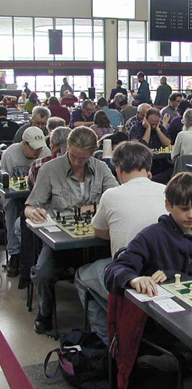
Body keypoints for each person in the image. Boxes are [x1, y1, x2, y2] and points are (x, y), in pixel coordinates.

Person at [25, 126, 118, 334]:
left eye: (83, 158)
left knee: (118, 268)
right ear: (67, 147)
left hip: (96, 240)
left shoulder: (101, 168)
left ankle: (107, 321)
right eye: (73, 155)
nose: (77, 162)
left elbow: (115, 200)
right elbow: (30, 206)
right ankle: (44, 314)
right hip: (61, 243)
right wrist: (32, 212)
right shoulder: (50, 169)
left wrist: (88, 209)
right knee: (43, 273)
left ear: (93, 152)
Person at [75, 141, 168, 344]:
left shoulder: (111, 195)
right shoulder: (167, 190)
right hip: (165, 273)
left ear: (118, 169)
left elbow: (99, 232)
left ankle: (109, 341)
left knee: (82, 275)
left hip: (130, 277)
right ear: (148, 167)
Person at [104, 172, 192, 296]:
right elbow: (114, 270)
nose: (191, 215)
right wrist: (134, 279)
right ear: (168, 206)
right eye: (184, 209)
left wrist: (175, 276)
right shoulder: (151, 236)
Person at [3, 127, 51, 277]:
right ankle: (14, 254)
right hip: (16, 197)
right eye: (34, 148)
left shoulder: (46, 152)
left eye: (40, 148)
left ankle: (38, 254)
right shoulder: (9, 154)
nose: (38, 151)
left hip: (38, 196)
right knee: (11, 206)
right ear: (24, 144)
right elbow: (5, 183)